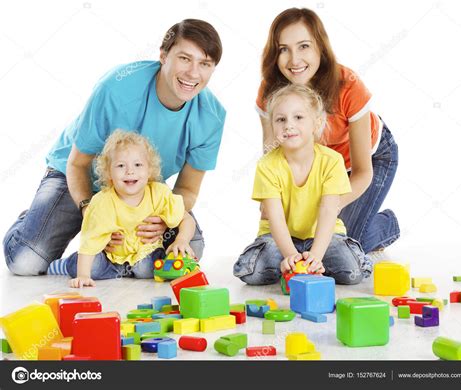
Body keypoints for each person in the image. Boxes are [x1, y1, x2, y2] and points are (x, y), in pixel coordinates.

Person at [3, 19, 226, 276]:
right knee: (26, 262)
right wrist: (94, 213)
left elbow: (186, 189)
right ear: (163, 56)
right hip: (78, 175)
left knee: (190, 248)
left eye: (205, 64)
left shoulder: (211, 116)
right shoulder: (116, 89)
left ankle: (113, 261)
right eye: (185, 58)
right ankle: (35, 220)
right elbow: (77, 163)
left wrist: (164, 221)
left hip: (137, 185)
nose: (193, 73)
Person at [256, 8, 399, 254]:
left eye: (303, 46)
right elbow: (274, 158)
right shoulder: (271, 91)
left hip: (368, 159)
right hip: (318, 167)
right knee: (304, 239)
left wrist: (328, 208)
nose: (294, 60)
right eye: (283, 49)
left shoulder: (348, 86)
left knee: (345, 243)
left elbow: (363, 172)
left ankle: (387, 225)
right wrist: (273, 207)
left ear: (320, 48)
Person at [233, 84, 372, 285]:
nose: (288, 125)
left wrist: (316, 254)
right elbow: (275, 217)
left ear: (316, 123)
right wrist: (290, 255)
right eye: (280, 119)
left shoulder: (332, 161)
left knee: (353, 272)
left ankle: (314, 264)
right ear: (273, 126)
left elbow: (328, 211)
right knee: (253, 272)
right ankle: (298, 265)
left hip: (324, 236)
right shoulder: (267, 165)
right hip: (279, 238)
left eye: (298, 117)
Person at [47, 130, 195, 288]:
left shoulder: (159, 194)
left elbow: (186, 219)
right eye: (120, 165)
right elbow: (89, 241)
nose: (130, 171)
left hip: (145, 254)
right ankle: (65, 265)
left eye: (138, 165)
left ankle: (135, 271)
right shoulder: (102, 202)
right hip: (110, 258)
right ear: (109, 173)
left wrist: (182, 240)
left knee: (147, 268)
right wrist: (83, 276)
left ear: (149, 170)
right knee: (93, 267)